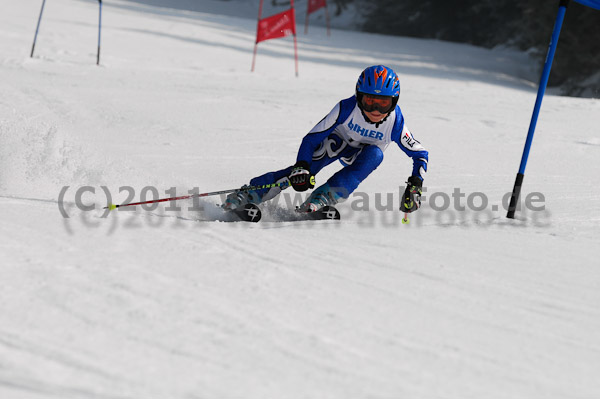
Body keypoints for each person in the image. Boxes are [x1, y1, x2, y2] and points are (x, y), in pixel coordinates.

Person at [223, 65, 428, 214]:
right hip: (338, 143)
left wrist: (415, 185)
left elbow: (420, 154)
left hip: (363, 154)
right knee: (311, 165)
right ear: (358, 97)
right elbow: (311, 138)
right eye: (369, 102)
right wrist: (301, 167)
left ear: (394, 102)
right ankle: (250, 194)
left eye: (383, 104)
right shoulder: (346, 108)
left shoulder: (395, 121)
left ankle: (324, 197)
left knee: (375, 155)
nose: (375, 110)